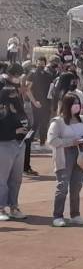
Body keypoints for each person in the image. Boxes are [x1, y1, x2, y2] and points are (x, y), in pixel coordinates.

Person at [47, 93, 83, 227]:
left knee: (77, 185)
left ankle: (75, 214)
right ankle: (57, 215)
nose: (77, 105)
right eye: (74, 103)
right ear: (67, 105)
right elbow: (52, 140)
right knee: (62, 186)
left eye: (78, 103)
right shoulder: (58, 122)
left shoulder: (82, 119)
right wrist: (70, 142)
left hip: (79, 153)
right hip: (64, 155)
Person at [0, 86, 28, 221]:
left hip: (20, 145)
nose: (14, 96)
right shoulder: (1, 111)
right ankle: (1, 208)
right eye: (11, 94)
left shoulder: (20, 108)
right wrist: (14, 133)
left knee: (16, 179)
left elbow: (27, 122)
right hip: (4, 145)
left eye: (15, 93)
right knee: (2, 179)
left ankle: (13, 206)